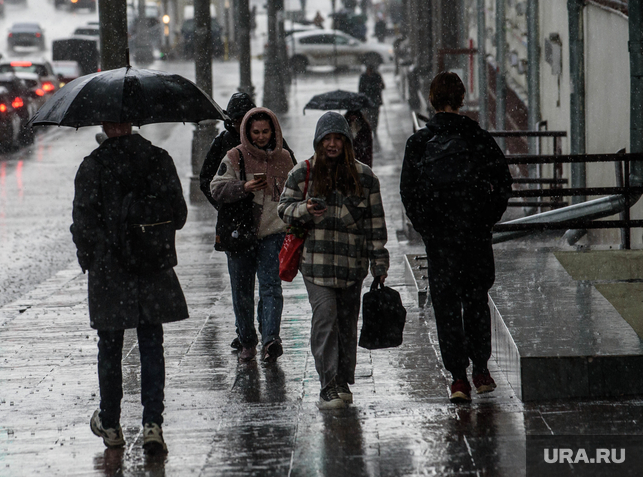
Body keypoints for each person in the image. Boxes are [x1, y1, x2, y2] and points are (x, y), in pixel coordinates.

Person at [71, 121, 188, 454]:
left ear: (106, 126)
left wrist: (92, 256)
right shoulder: (159, 159)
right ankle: (152, 423)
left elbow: (83, 222)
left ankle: (111, 423)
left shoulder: (93, 166)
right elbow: (178, 215)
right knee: (151, 343)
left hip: (110, 270)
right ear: (134, 123)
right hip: (152, 263)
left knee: (110, 346)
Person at [399, 72, 512, 403]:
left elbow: (408, 193)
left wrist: (428, 227)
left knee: (447, 306)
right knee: (476, 301)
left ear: (432, 101)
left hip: (441, 242)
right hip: (475, 238)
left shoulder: (419, 143)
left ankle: (458, 379)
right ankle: (481, 370)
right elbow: (503, 184)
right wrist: (485, 220)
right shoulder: (478, 138)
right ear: (461, 99)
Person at [278, 112, 389, 410]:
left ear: (346, 141)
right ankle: (328, 384)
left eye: (337, 138)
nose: (332, 144)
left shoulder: (365, 177)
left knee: (346, 324)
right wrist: (304, 209)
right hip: (317, 266)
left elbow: (375, 224)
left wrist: (380, 263)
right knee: (326, 317)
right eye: (326, 139)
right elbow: (284, 209)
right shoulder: (303, 173)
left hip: (353, 267)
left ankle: (341, 378)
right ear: (318, 142)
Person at [200, 94, 295, 352]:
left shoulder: (281, 153)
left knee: (270, 285)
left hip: (272, 231)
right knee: (242, 290)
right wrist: (236, 199)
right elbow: (211, 183)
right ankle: (246, 337)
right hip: (239, 231)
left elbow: (296, 182)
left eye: (265, 131)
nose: (260, 136)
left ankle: (270, 337)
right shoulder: (229, 151)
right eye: (254, 130)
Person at [358, 64, 385, 134]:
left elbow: (383, 86)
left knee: (375, 116)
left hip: (376, 100)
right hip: (367, 101)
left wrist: (378, 86)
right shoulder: (363, 77)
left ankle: (374, 129)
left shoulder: (377, 76)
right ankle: (370, 129)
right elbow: (360, 89)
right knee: (368, 117)